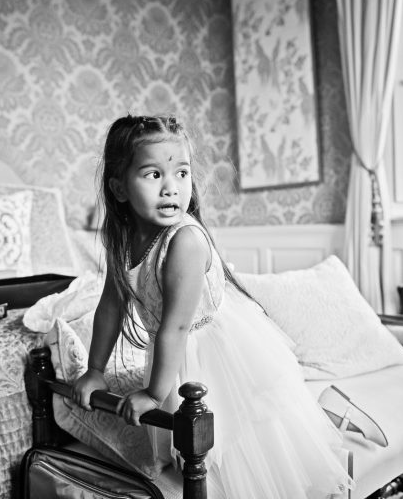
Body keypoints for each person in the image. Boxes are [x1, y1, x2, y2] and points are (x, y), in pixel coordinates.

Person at [72, 115, 354, 499]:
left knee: (248, 444)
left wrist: (153, 395)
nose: (172, 188)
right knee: (187, 445)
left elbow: (176, 328)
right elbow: (110, 304)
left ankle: (337, 415)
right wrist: (94, 370)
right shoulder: (121, 242)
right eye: (153, 175)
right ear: (120, 188)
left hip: (213, 352)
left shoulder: (184, 241)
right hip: (173, 351)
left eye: (182, 173)